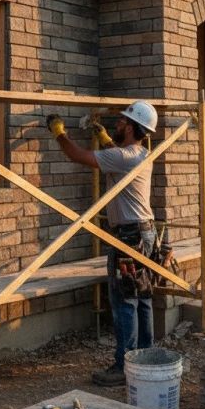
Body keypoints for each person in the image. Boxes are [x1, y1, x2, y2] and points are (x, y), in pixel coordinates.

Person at [46, 101, 158, 387]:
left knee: (125, 301)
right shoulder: (141, 153)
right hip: (145, 233)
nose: (116, 124)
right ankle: (145, 359)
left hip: (129, 237)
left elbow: (77, 155)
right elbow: (116, 154)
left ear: (131, 128)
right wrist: (104, 137)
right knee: (142, 297)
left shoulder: (123, 157)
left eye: (122, 122)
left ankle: (124, 366)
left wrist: (59, 132)